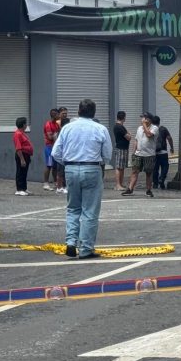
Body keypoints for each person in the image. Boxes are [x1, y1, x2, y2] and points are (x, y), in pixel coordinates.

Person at [51, 98, 112, 260]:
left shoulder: (67, 128)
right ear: (94, 113)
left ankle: (71, 241)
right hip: (92, 168)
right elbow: (107, 155)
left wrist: (68, 163)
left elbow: (55, 153)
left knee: (73, 208)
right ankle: (85, 248)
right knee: (90, 210)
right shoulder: (100, 129)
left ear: (78, 112)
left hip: (70, 168)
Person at [124, 112, 157, 197]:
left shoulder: (155, 128)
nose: (141, 119)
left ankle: (148, 190)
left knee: (148, 173)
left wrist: (144, 125)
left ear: (148, 119)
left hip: (149, 154)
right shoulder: (139, 128)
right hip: (138, 154)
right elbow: (136, 140)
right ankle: (130, 189)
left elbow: (149, 135)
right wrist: (134, 152)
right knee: (134, 171)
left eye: (143, 118)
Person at [111, 111, 131, 191]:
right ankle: (118, 185)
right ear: (124, 117)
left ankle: (120, 184)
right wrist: (129, 134)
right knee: (119, 167)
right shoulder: (119, 127)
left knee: (122, 167)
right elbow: (128, 137)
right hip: (121, 148)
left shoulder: (119, 126)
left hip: (123, 148)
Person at [13, 116, 33, 196]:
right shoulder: (17, 134)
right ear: (23, 124)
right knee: (20, 172)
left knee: (24, 172)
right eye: (25, 123)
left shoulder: (22, 133)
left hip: (26, 155)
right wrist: (22, 159)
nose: (26, 125)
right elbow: (18, 148)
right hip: (21, 155)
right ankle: (19, 189)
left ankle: (24, 188)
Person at [153, 114, 174, 189]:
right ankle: (161, 179)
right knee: (165, 167)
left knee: (155, 168)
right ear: (159, 122)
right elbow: (169, 138)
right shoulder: (163, 129)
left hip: (154, 153)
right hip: (163, 153)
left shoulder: (151, 130)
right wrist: (172, 148)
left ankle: (155, 184)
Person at [42, 109, 61, 192]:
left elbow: (59, 135)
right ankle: (45, 183)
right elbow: (50, 137)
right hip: (49, 148)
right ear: (53, 115)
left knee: (55, 166)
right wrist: (55, 135)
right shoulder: (48, 124)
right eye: (58, 114)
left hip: (55, 147)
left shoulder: (56, 125)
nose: (59, 116)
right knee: (49, 165)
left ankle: (55, 182)